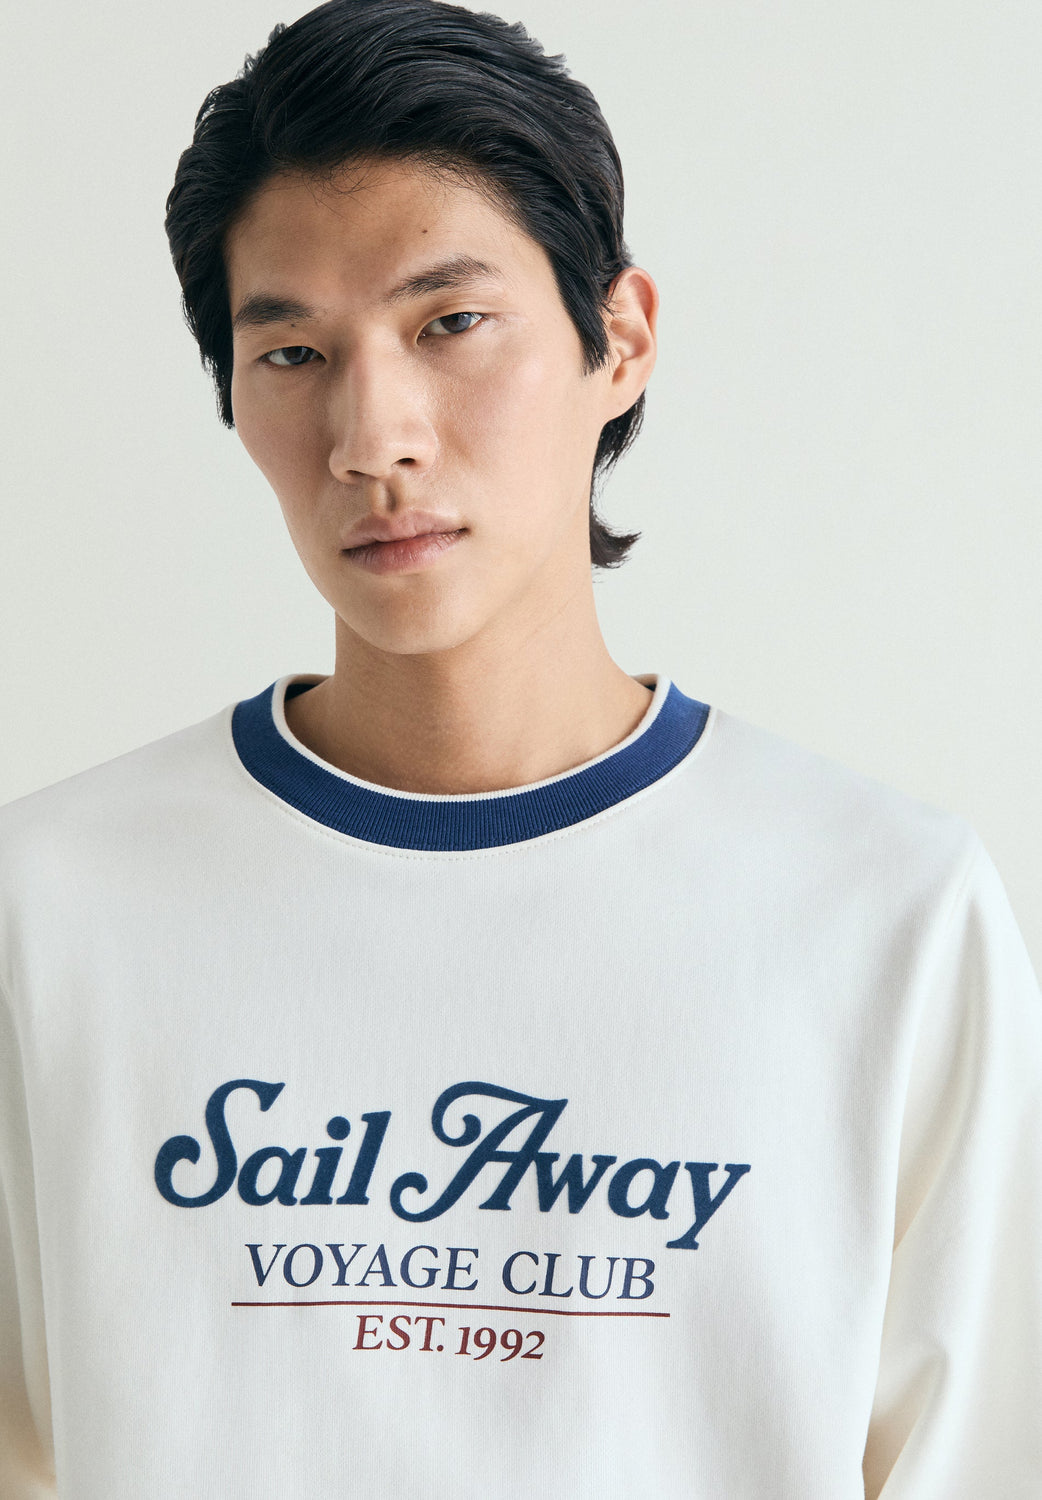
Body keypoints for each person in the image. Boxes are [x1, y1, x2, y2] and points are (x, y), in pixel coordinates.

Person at [1, 0, 1040, 1494]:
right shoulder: (52, 907)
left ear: (619, 340)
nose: (372, 435)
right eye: (291, 350)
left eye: (451, 324)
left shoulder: (887, 914)